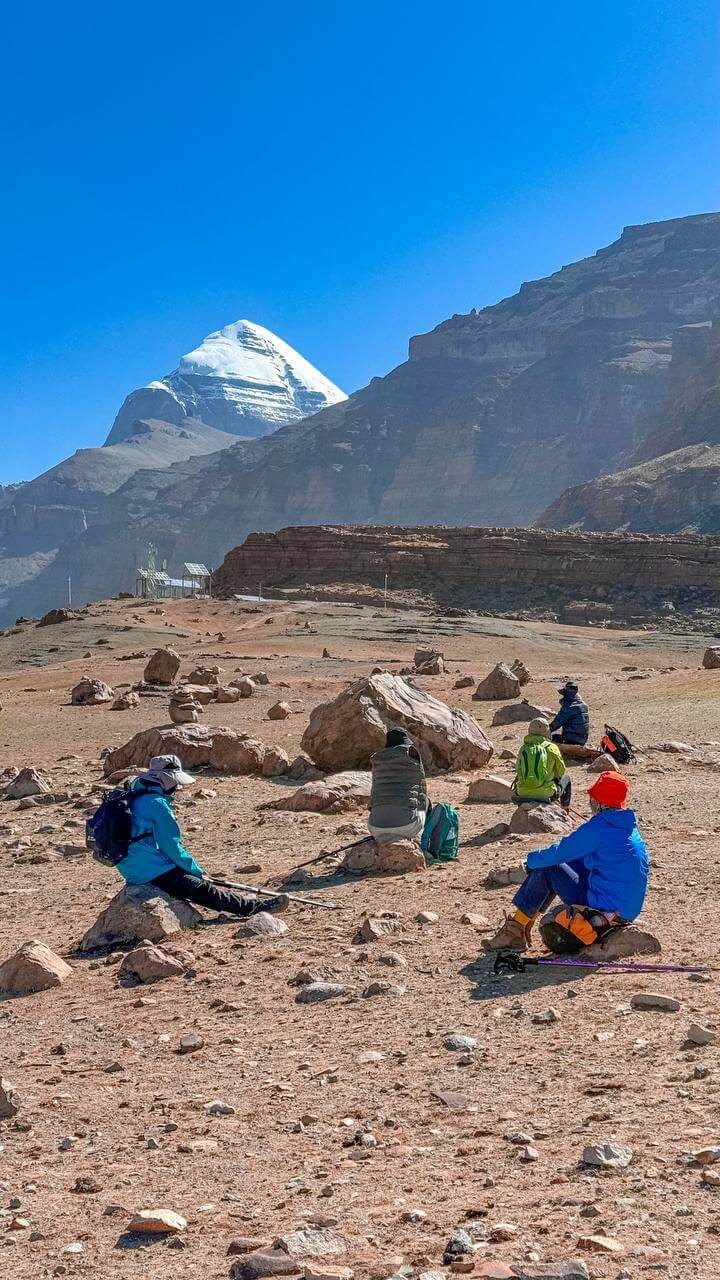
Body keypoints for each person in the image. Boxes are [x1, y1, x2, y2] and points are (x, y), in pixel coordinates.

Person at [482, 771, 649, 954]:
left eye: (593, 798)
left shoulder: (599, 828)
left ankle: (516, 929)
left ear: (601, 803)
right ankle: (522, 925)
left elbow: (561, 852)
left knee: (549, 867)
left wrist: (532, 860)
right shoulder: (627, 826)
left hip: (603, 910)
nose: (590, 802)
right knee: (563, 864)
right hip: (624, 911)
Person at [117, 754, 288, 917]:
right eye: (175, 782)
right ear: (167, 779)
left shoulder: (134, 793)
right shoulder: (156, 804)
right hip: (150, 868)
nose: (177, 787)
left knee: (190, 882)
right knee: (202, 888)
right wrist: (197, 871)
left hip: (131, 868)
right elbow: (171, 845)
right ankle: (252, 908)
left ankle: (250, 904)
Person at [368, 727, 429, 843]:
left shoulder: (376, 760)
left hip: (375, 827)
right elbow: (422, 793)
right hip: (407, 826)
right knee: (426, 802)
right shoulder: (413, 756)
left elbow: (373, 798)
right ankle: (426, 846)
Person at [514, 717, 571, 810]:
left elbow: (518, 769)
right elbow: (561, 771)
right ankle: (565, 808)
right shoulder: (552, 747)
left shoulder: (523, 748)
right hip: (546, 793)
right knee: (566, 778)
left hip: (522, 792)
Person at [550, 680, 590, 746]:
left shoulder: (569, 707)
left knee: (552, 740)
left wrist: (544, 731)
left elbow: (556, 723)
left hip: (571, 740)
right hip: (583, 739)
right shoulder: (583, 705)